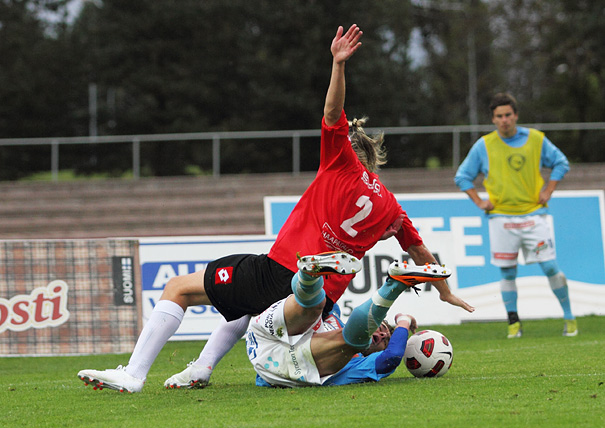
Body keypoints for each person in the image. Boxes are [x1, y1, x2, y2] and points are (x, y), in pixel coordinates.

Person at [78, 24, 474, 393]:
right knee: (248, 307)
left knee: (178, 288)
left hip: (280, 269)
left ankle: (133, 374)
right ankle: (202, 366)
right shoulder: (392, 209)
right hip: (322, 303)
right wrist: (445, 293)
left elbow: (333, 113)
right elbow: (421, 254)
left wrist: (337, 65)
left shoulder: (339, 162)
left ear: (349, 151)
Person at [454, 92, 576, 338]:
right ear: (493, 119)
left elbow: (561, 163)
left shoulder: (536, 139)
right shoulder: (484, 145)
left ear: (516, 115)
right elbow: (462, 176)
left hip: (534, 215)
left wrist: (549, 189)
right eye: (499, 116)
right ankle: (514, 323)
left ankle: (569, 318)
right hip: (501, 219)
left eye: (508, 115)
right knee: (507, 271)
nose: (504, 120)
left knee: (550, 266)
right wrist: (479, 201)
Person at [246, 253, 435, 387]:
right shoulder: (335, 318)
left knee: (358, 340)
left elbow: (392, 357)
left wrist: (403, 321)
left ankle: (395, 284)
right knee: (316, 305)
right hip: (264, 336)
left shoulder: (361, 366)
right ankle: (309, 275)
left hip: (276, 363)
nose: (382, 334)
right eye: (382, 327)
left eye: (385, 340)